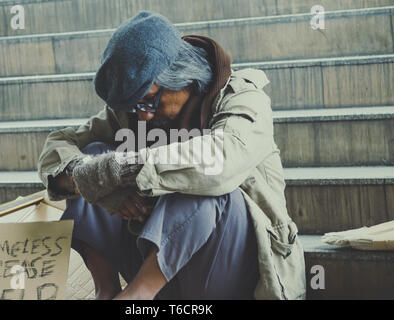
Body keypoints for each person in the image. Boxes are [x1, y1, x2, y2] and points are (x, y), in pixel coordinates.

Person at [37, 11, 306, 300]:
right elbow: (60, 143)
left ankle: (137, 296)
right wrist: (95, 184)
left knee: (197, 178)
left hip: (233, 265)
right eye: (135, 107)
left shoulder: (242, 97)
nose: (145, 114)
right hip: (157, 258)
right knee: (90, 157)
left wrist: (121, 170)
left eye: (150, 100)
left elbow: (224, 159)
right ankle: (107, 290)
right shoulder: (134, 112)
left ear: (184, 77)